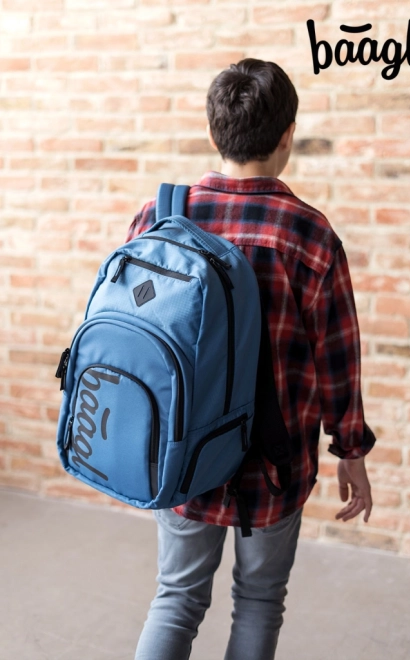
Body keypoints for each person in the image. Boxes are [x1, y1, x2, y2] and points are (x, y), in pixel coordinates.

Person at [127, 58, 376, 660]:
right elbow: (338, 360)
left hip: (181, 455)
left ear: (214, 132)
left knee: (176, 598)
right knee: (260, 601)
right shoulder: (310, 235)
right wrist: (351, 451)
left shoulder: (159, 216)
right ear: (288, 135)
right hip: (274, 462)